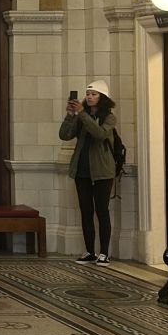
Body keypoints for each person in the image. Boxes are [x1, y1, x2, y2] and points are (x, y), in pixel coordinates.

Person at [60, 79, 118, 264]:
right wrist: (70, 115)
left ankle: (104, 252)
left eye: (94, 94)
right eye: (88, 94)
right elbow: (64, 135)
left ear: (103, 98)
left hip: (103, 171)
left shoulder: (109, 117)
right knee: (86, 211)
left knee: (102, 211)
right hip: (82, 170)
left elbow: (99, 134)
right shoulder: (81, 115)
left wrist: (82, 114)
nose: (89, 97)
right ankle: (89, 251)